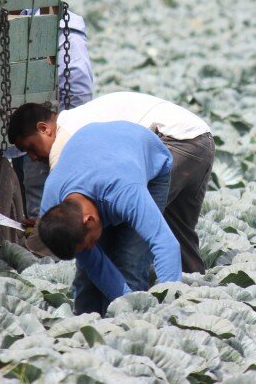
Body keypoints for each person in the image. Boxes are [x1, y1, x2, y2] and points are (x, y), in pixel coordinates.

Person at [8, 91, 215, 273]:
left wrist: (35, 244)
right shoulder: (75, 119)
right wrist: (51, 223)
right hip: (200, 139)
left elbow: (69, 207)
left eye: (31, 148)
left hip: (174, 142)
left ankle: (130, 297)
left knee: (125, 228)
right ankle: (193, 295)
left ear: (44, 129)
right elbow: (67, 212)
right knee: (177, 229)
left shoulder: (65, 139)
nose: (33, 157)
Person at [38, 120, 182, 315]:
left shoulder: (125, 191)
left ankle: (135, 329)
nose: (91, 248)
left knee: (130, 261)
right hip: (97, 149)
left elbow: (165, 244)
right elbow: (95, 264)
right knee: (86, 276)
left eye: (89, 243)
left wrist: (169, 308)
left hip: (146, 156)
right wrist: (124, 302)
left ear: (89, 220)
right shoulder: (52, 207)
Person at [10, 8, 94, 216]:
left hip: (48, 137)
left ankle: (45, 246)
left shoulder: (61, 29)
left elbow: (78, 87)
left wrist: (66, 139)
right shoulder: (12, 20)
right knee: (30, 205)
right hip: (25, 138)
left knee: (45, 208)